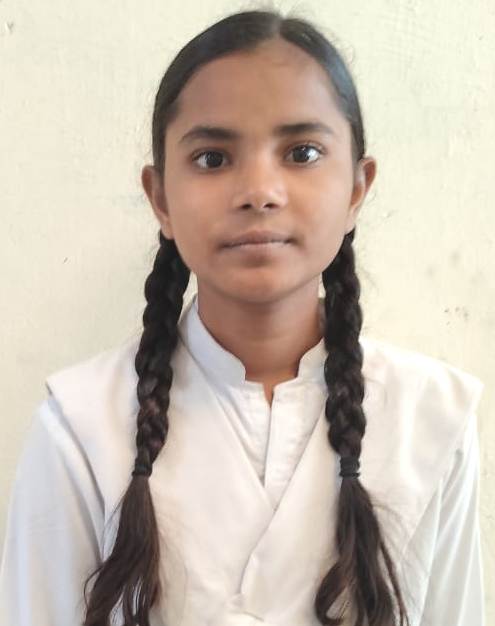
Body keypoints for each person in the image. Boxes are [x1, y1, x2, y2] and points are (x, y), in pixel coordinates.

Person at [0, 8, 485, 626]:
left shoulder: (432, 419)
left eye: (302, 152)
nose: (259, 190)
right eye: (212, 158)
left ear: (357, 189)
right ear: (160, 198)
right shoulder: (80, 428)